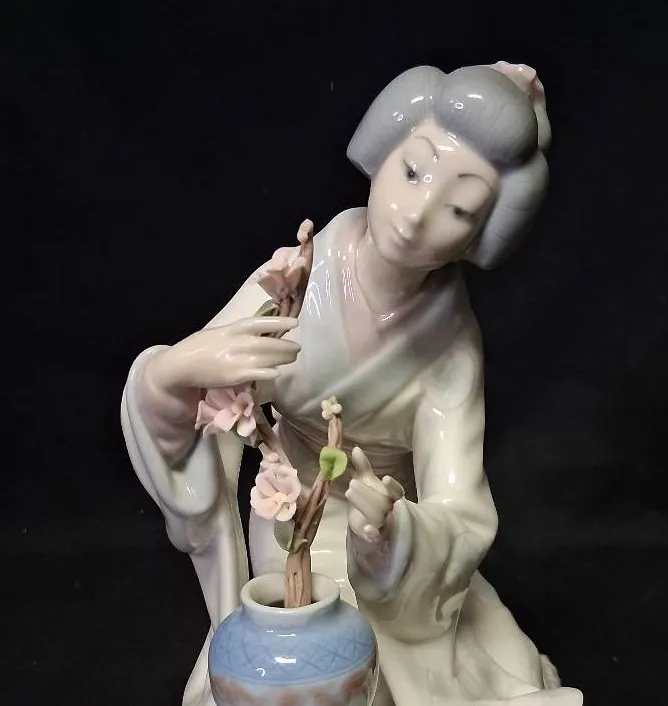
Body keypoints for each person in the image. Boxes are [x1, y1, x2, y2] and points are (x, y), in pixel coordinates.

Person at [121, 62, 584, 705]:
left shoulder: (451, 348)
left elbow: (460, 507)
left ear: (481, 235)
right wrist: (168, 377)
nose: (416, 214)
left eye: (458, 208)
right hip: (293, 518)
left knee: (486, 666)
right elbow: (203, 398)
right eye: (413, 171)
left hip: (385, 546)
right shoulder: (299, 277)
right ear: (382, 152)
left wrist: (394, 531)